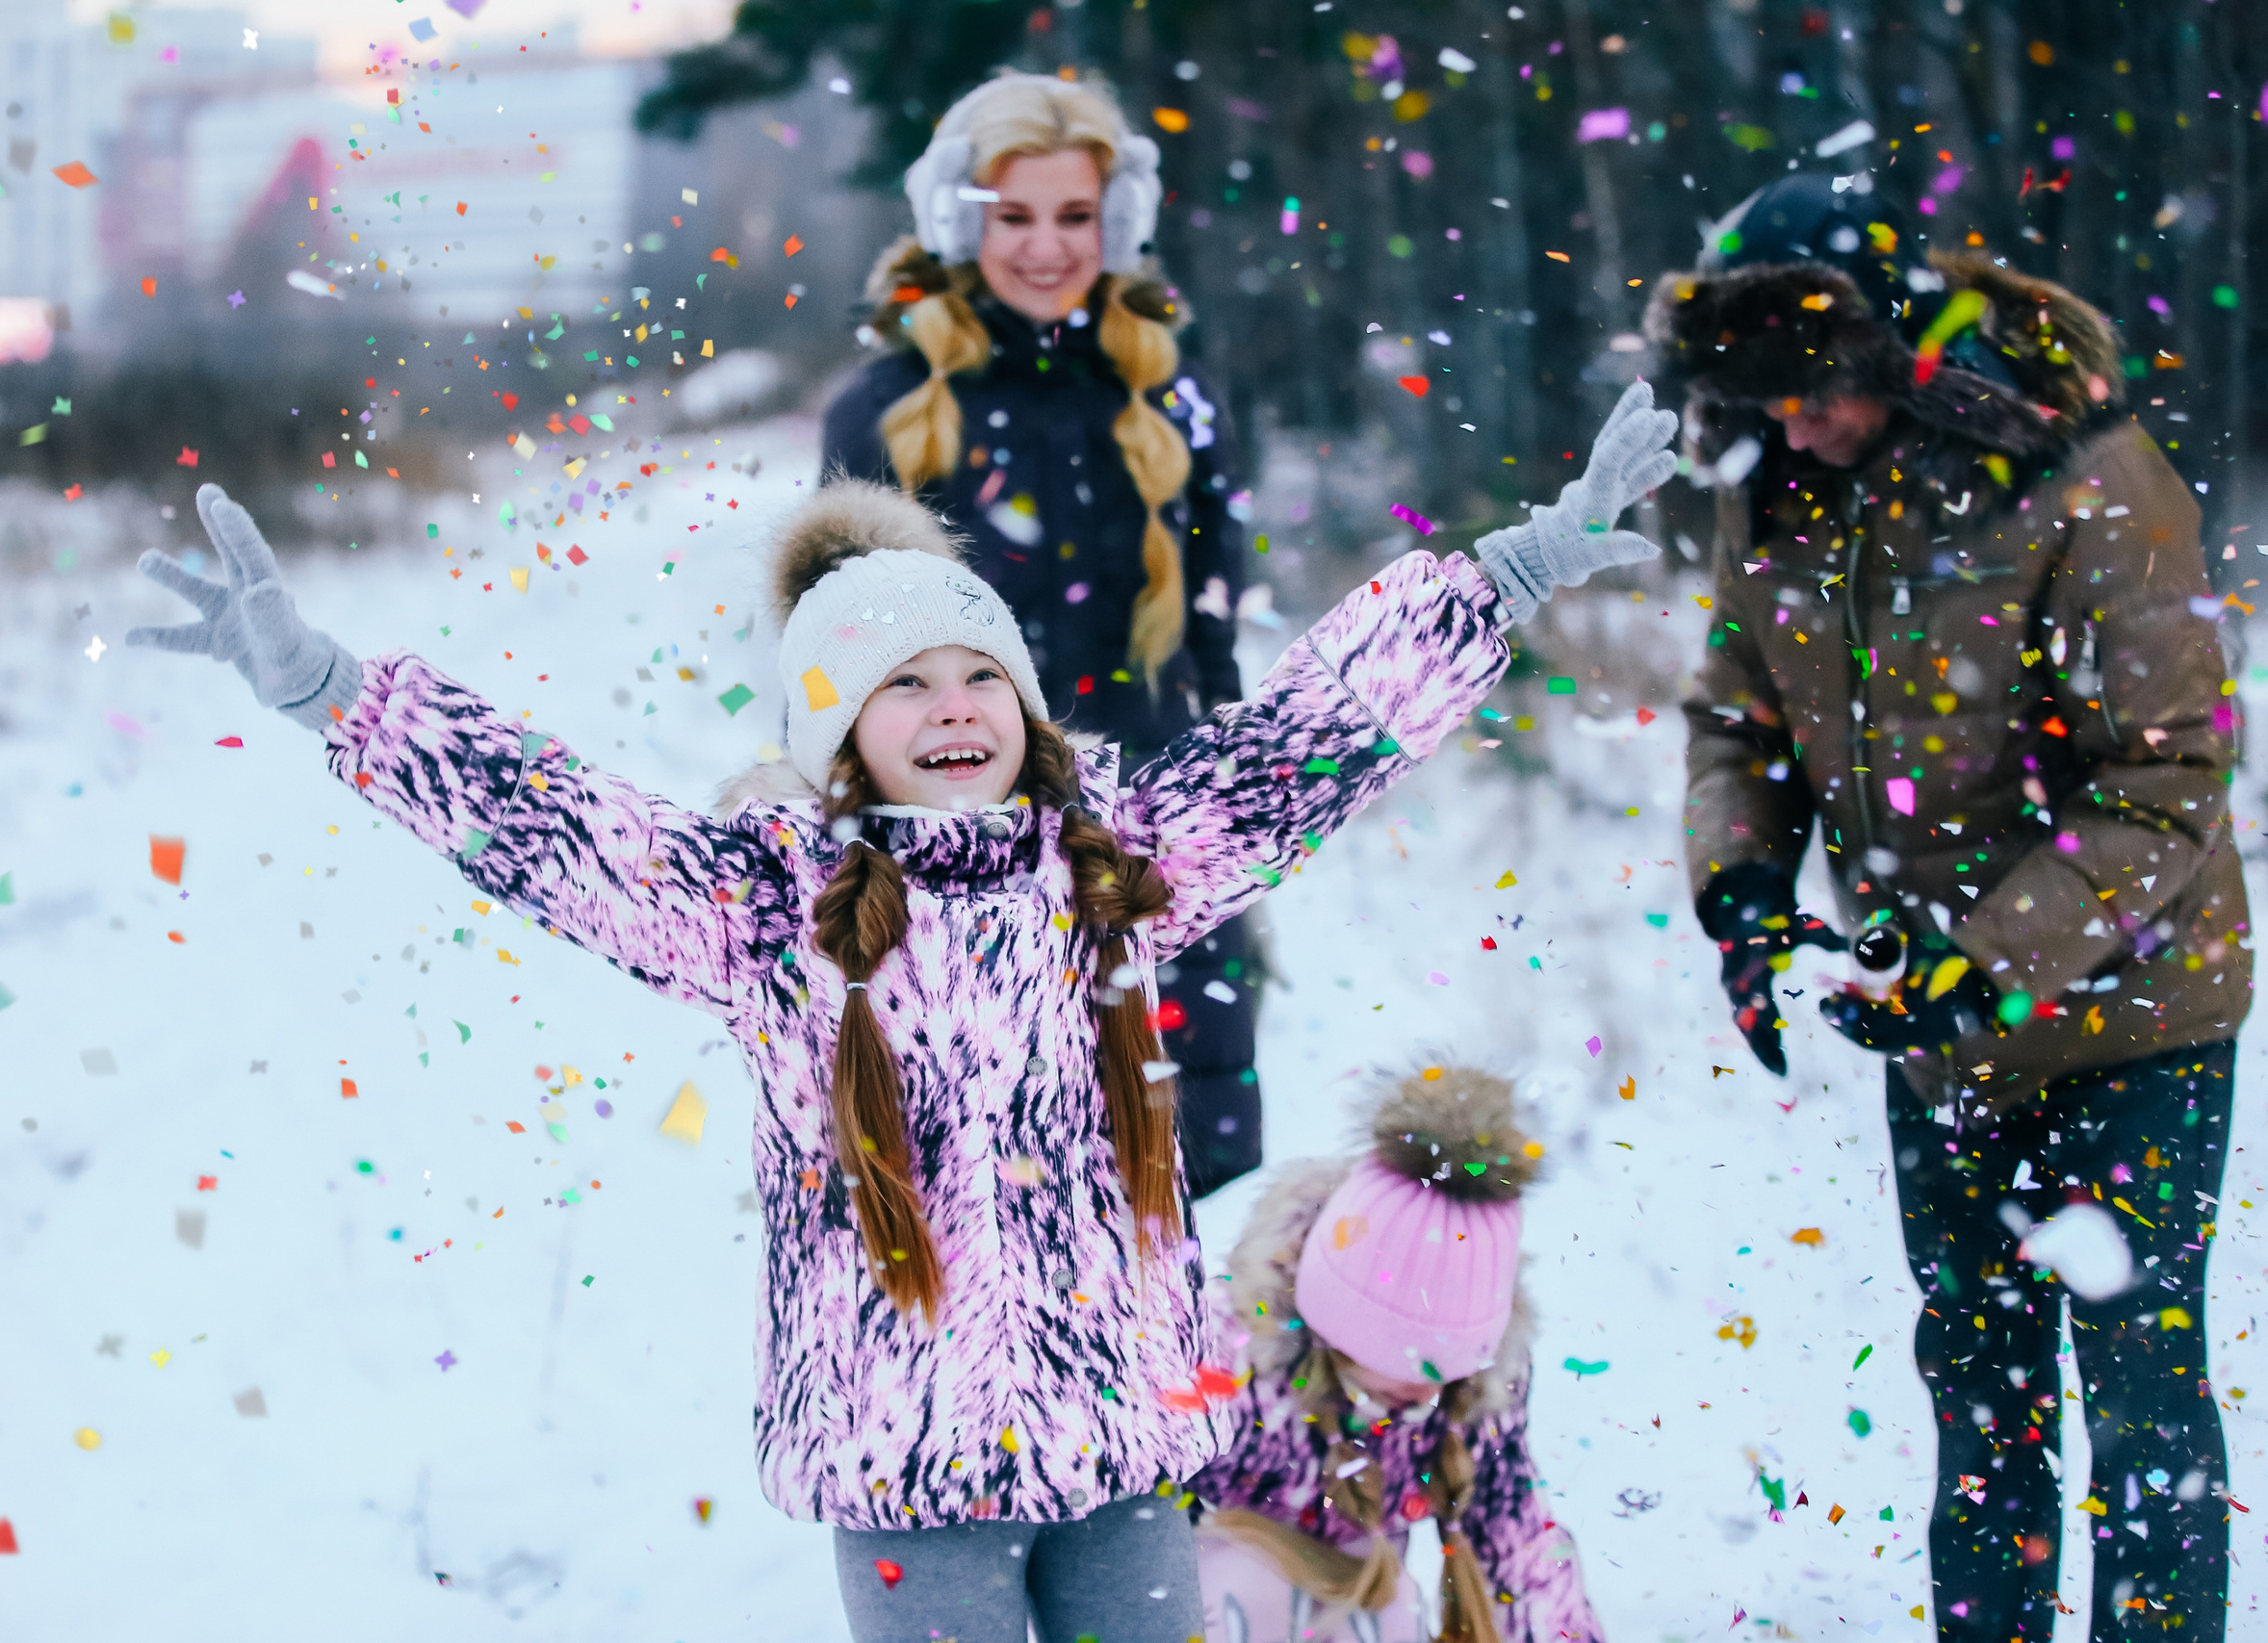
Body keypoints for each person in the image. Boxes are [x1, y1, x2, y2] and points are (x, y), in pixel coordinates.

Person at [122, 376, 1671, 1641]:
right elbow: (557, 830)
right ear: (837, 732)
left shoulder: (1116, 866)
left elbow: (1304, 738)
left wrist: (1513, 569)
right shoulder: (760, 908)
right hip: (902, 1462)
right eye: (903, 686)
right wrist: (335, 690)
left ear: (1024, 703)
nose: (950, 709)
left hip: (1124, 1440)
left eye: (977, 676)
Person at [1649, 173, 2247, 1642]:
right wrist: (1744, 900)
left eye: (1807, 391)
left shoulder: (2087, 479)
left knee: (2140, 1397)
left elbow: (2168, 773)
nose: (1790, 426)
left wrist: (1987, 961)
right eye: (1759, 401)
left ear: (1885, 353)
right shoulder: (1780, 493)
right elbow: (1742, 725)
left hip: (2134, 1025)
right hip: (1937, 1033)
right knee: (1982, 1406)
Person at [818, 71, 1265, 1197]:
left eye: (1075, 217)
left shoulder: (1174, 401)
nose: (1045, 250)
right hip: (950, 888)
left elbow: (1215, 660)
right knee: (976, 1236)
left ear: (1116, 227)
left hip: (1142, 861)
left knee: (1170, 1209)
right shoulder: (880, 411)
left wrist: (1220, 847)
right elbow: (829, 686)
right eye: (1012, 216)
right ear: (960, 222)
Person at [1187, 1063, 1602, 1643]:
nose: (1423, 1393)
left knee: (1391, 1610)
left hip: (1366, 1592)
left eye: (1447, 1369)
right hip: (1225, 1569)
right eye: (1398, 1367)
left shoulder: (1475, 1399)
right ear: (1332, 1325)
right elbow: (1139, 1494)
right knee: (1236, 1583)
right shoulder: (1234, 1364)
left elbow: (1519, 1545)